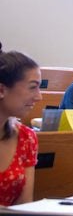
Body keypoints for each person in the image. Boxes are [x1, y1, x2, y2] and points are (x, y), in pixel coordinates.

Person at [0, 50, 42, 206]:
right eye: (32, 87)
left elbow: (23, 207)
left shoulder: (26, 137)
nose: (39, 97)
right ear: (2, 90)